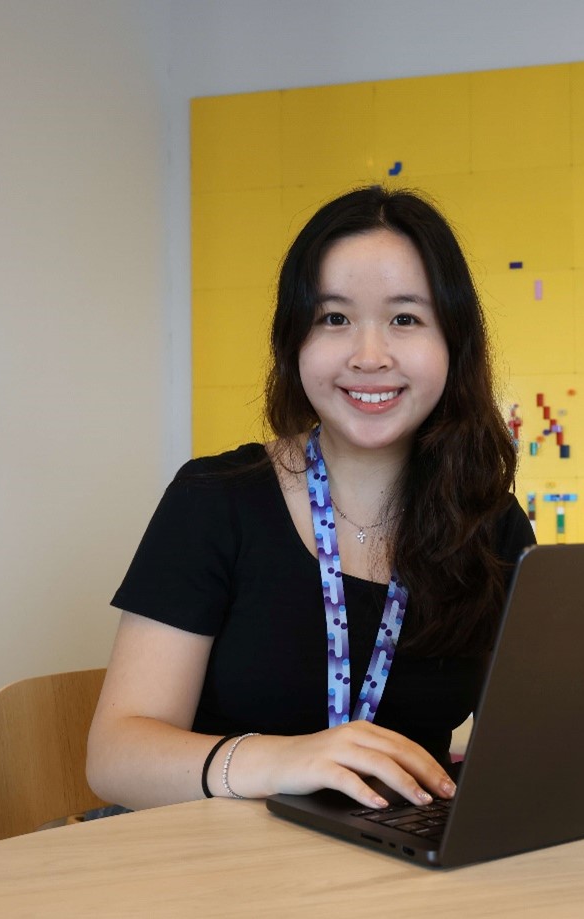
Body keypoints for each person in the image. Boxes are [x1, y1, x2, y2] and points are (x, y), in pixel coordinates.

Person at [87, 186, 535, 813]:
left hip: (400, 866)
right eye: (334, 319)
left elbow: (526, 745)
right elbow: (114, 758)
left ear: (454, 344)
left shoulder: (490, 525)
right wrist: (286, 758)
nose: (369, 355)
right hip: (212, 868)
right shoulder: (214, 500)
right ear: (293, 342)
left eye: (405, 318)